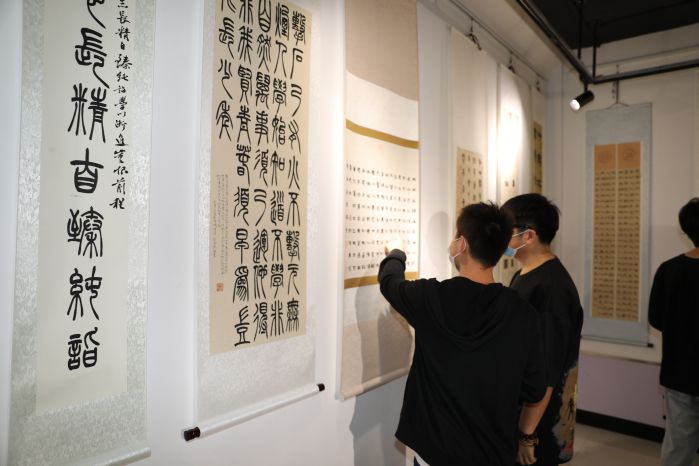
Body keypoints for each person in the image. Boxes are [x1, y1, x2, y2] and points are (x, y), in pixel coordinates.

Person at [379, 202, 546, 466]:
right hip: (493, 452)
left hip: (435, 451)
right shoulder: (523, 314)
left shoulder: (431, 298)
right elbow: (535, 389)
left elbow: (390, 283)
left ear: (462, 244)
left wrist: (397, 252)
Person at [501, 193, 583, 466]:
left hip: (539, 419)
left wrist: (527, 434)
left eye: (506, 230)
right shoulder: (523, 274)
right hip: (521, 406)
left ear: (528, 235)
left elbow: (547, 369)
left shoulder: (552, 288)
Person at [649, 197, 699, 466]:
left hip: (678, 373)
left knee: (678, 445)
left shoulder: (668, 270)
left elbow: (656, 319)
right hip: (679, 374)